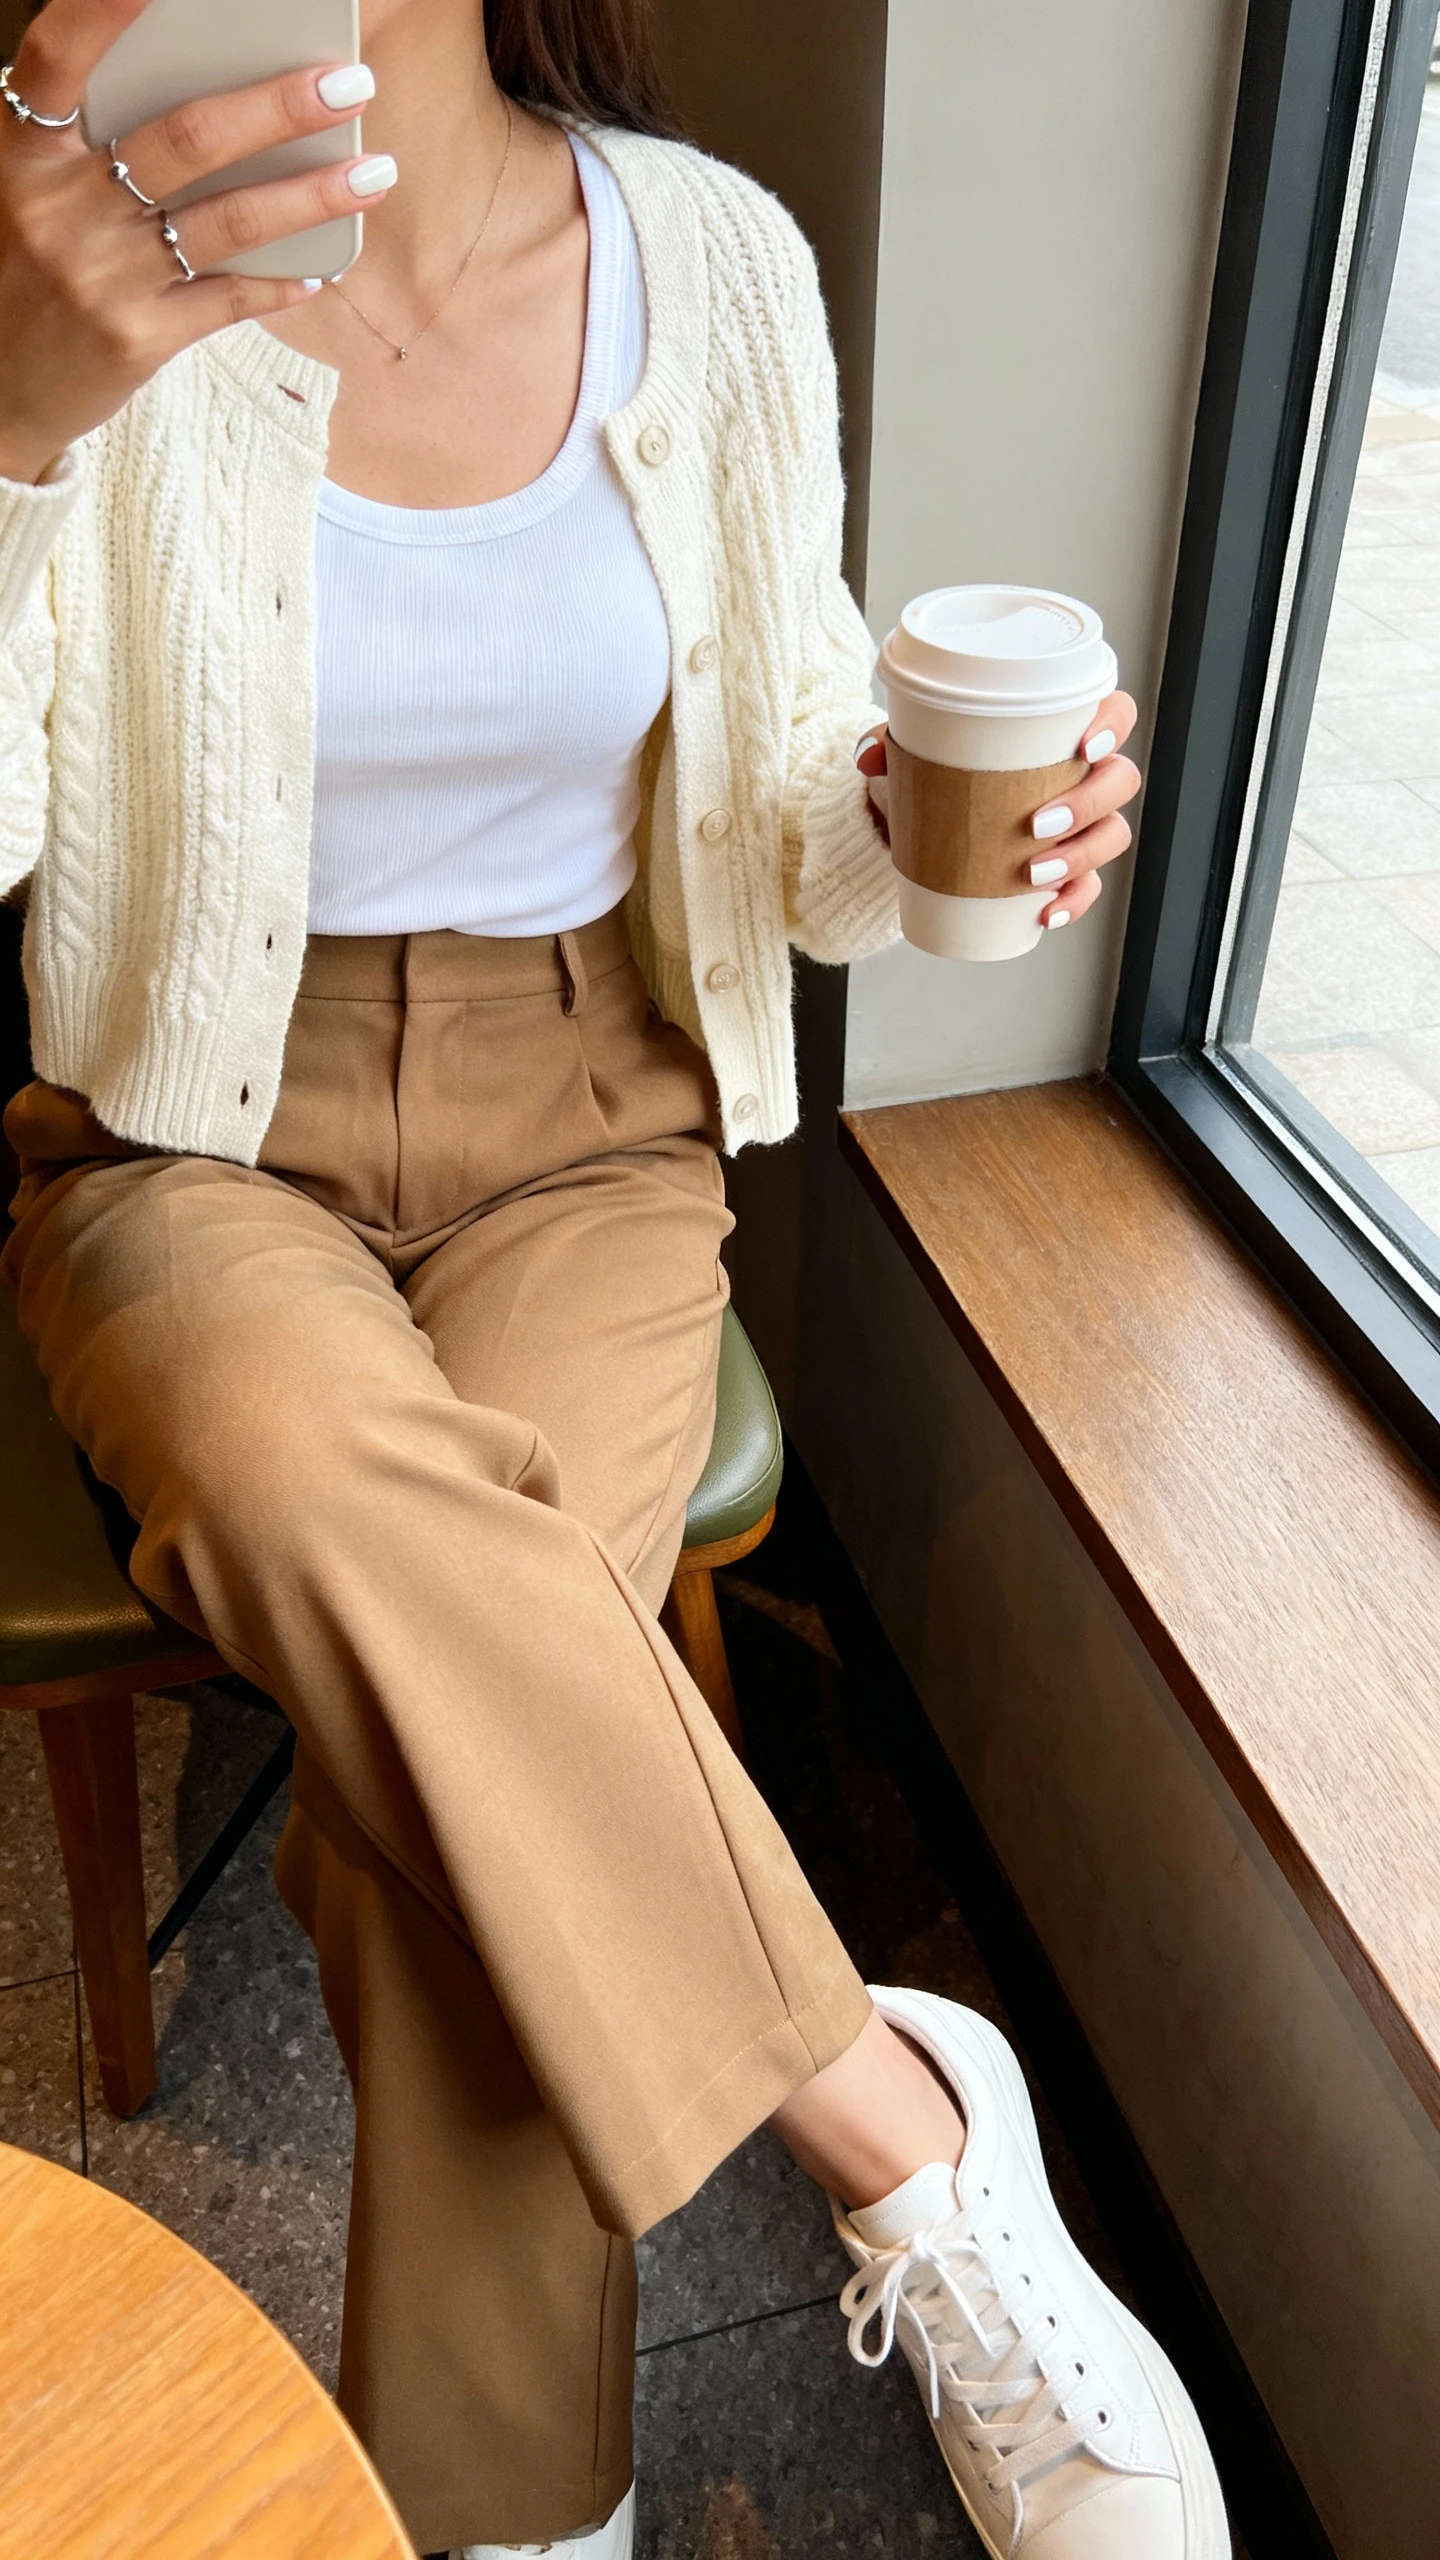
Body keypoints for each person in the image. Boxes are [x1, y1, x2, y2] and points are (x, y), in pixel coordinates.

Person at [0, 3, 1225, 2554]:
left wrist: (925, 824)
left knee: (471, 1730)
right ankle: (896, 2124)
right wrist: (7, 426)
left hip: (599, 1123)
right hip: (192, 1131)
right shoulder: (48, 281)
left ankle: (514, 2520)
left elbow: (787, 798)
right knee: (346, 1500)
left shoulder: (719, 270)